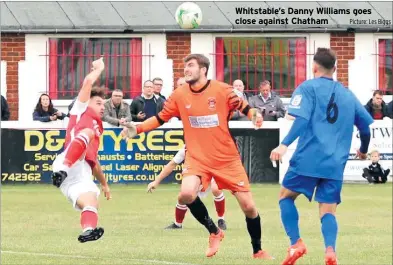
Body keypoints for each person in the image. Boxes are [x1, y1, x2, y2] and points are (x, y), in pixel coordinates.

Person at [121, 54, 273, 259]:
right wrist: (138, 129)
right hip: (197, 157)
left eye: (191, 65)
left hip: (226, 158)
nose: (186, 69)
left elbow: (244, 107)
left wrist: (255, 115)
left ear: (203, 69)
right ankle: (214, 232)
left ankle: (258, 250)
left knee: (249, 207)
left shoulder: (222, 89)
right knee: (185, 194)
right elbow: (160, 118)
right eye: (185, 66)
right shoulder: (179, 95)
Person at [270, 48, 374, 265]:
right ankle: (330, 251)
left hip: (308, 158)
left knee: (285, 197)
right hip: (335, 164)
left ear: (314, 67)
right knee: (328, 210)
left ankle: (296, 243)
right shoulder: (348, 94)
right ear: (334, 69)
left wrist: (284, 145)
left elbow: (301, 120)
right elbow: (365, 128)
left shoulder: (307, 88)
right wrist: (363, 150)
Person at [51, 58, 112, 243]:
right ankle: (63, 170)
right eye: (99, 103)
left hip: (81, 173)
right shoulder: (80, 110)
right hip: (68, 160)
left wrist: (105, 184)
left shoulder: (99, 129)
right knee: (86, 132)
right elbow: (87, 83)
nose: (103, 107)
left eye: (104, 104)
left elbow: (94, 163)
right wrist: (98, 69)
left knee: (92, 202)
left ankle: (88, 230)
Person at [147, 145, 227, 230]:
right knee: (183, 197)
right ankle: (177, 224)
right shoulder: (186, 148)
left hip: (213, 172)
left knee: (216, 189)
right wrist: (156, 181)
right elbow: (172, 164)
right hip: (196, 174)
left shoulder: (211, 145)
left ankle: (221, 220)